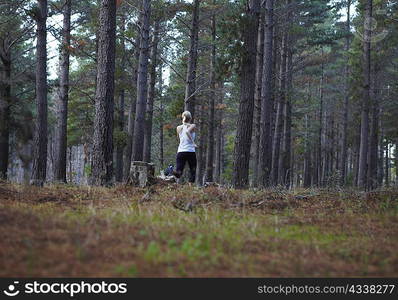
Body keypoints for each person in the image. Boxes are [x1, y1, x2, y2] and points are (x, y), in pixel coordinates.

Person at [173, 111, 197, 183]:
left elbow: (178, 139)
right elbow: (187, 132)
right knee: (193, 171)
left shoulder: (178, 127)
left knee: (178, 173)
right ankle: (190, 187)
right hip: (190, 151)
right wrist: (193, 143)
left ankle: (171, 170)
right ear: (190, 118)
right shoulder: (193, 126)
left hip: (181, 152)